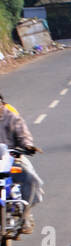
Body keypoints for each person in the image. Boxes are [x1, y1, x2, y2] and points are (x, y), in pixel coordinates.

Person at [0, 93, 44, 233]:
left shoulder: (12, 117)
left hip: (11, 157)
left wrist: (27, 146)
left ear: (2, 103)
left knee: (31, 179)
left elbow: (23, 135)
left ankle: (26, 214)